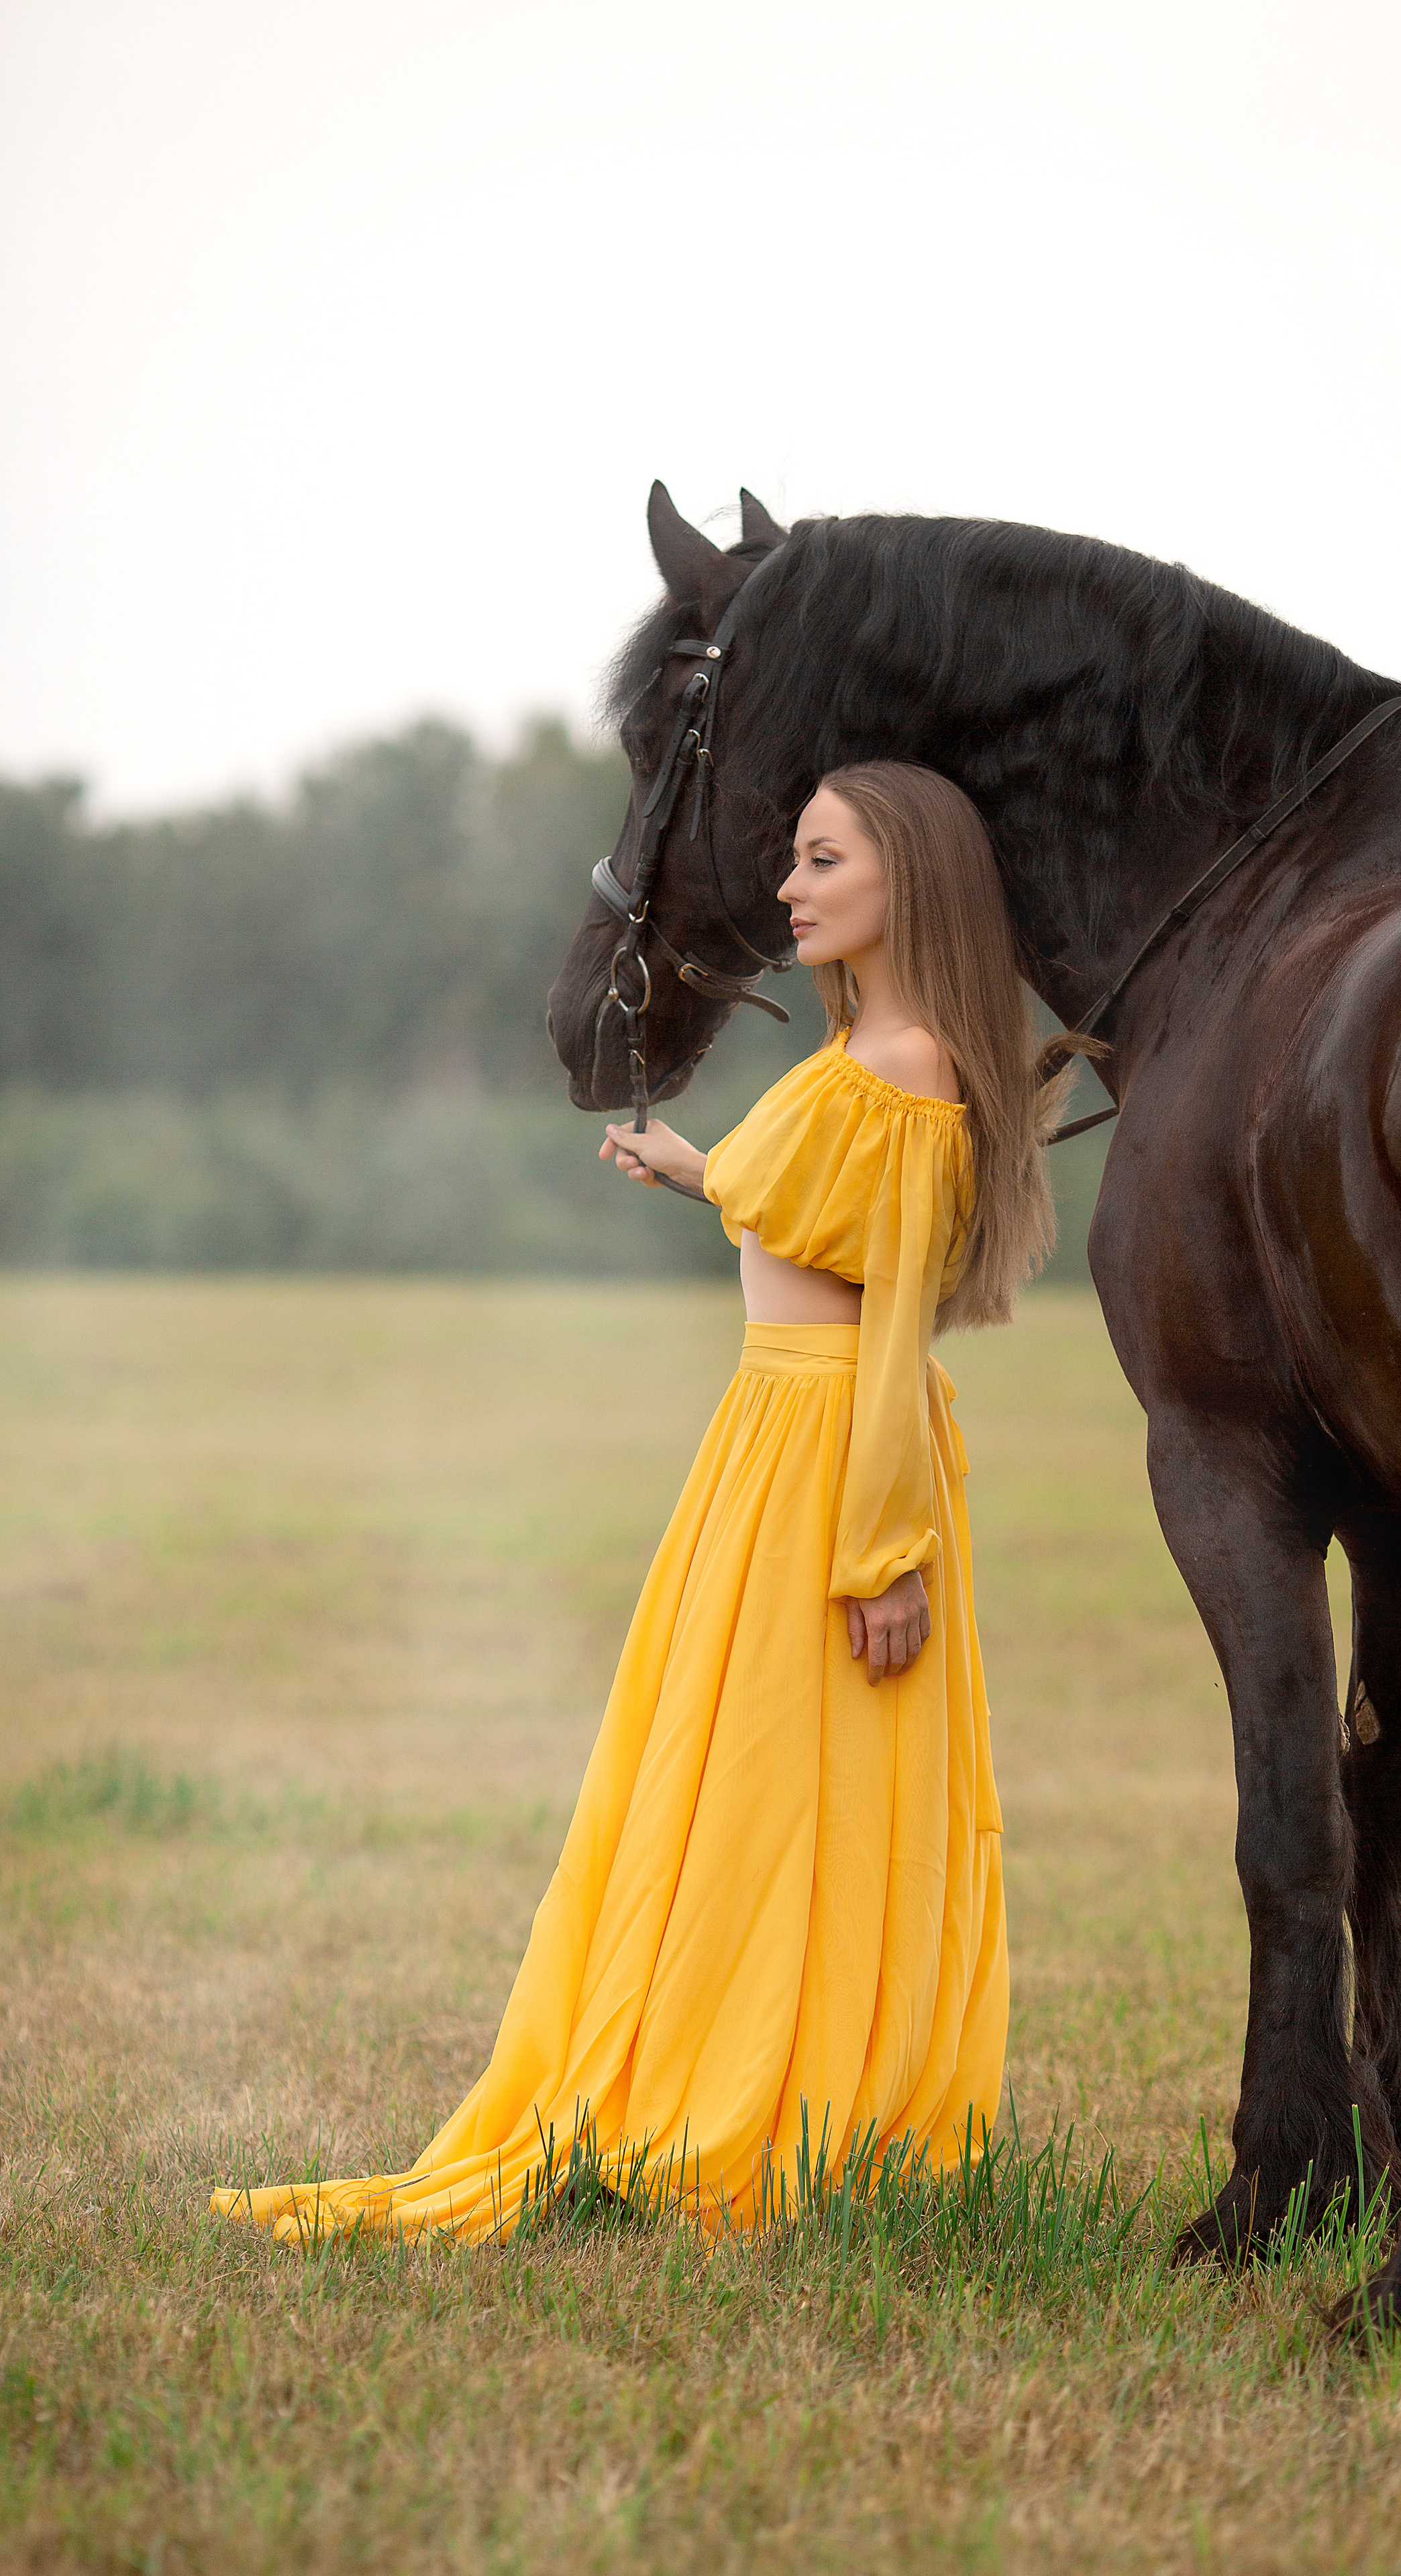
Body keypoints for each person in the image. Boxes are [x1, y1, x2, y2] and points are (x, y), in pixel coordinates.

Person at [210, 761, 1069, 2242]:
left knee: (788, 1785)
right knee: (724, 1773)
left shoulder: (914, 1056)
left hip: (826, 1452)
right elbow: (820, 1230)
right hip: (771, 1433)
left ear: (906, 881)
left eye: (821, 860)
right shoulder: (875, 1050)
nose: (790, 888)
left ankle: (779, 2106)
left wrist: (881, 1550)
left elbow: (888, 1321)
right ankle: (701, 2069)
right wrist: (703, 1177)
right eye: (794, 860)